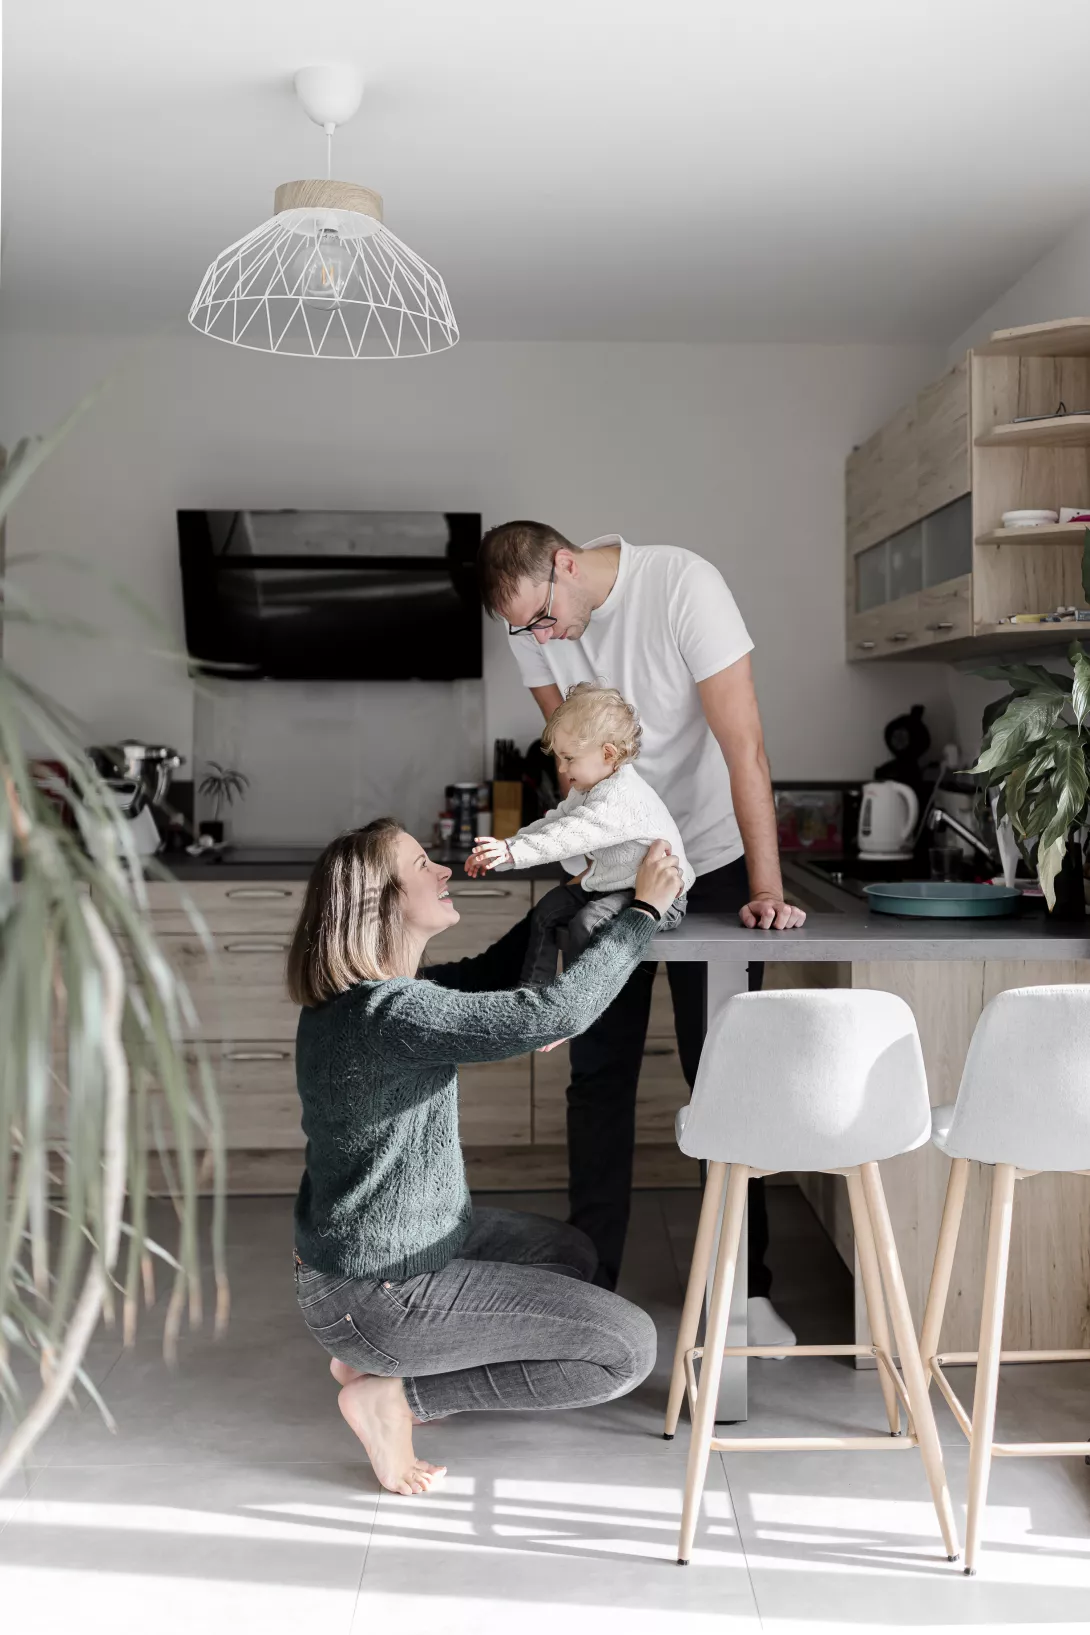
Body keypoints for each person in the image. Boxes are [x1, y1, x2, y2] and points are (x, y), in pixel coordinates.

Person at [477, 521, 806, 1348]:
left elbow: (744, 746)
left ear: (565, 565)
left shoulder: (683, 586)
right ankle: (587, 1289)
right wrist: (578, 867)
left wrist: (766, 888)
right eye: (521, 631)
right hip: (614, 868)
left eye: (541, 620)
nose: (538, 641)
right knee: (598, 1075)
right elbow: (575, 768)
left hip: (714, 859)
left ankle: (745, 1291)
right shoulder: (532, 627)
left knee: (721, 1075)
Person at [287, 818, 683, 1497]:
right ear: (379, 900)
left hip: (378, 1261)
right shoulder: (393, 1014)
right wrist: (641, 910)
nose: (443, 870)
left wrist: (574, 892)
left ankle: (376, 1359)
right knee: (627, 1349)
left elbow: (491, 972)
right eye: (422, 864)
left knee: (571, 1255)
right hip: (377, 1289)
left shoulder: (361, 1001)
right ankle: (396, 1394)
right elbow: (553, 1013)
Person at [467, 682, 693, 986]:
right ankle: (532, 993)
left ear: (608, 753)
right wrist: (506, 849)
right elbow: (556, 821)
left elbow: (568, 835)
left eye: (569, 758)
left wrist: (512, 853)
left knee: (588, 923)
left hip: (663, 898)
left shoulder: (620, 798)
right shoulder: (592, 787)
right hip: (613, 887)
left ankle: (574, 1001)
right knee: (547, 910)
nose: (561, 769)